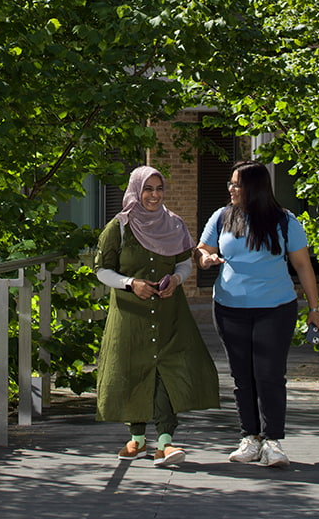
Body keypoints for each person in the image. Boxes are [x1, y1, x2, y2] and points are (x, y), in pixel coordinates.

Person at [195, 161, 319, 468]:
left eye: (236, 185)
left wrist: (315, 308)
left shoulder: (285, 221)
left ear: (254, 188)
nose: (230, 189)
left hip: (275, 309)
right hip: (229, 309)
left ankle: (272, 442)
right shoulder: (222, 217)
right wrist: (207, 258)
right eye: (230, 184)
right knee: (242, 377)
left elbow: (303, 266)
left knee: (269, 375)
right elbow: (202, 248)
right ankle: (249, 439)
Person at [93, 166, 220, 468]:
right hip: (130, 314)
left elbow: (183, 264)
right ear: (136, 190)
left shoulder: (174, 224)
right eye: (148, 189)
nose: (154, 195)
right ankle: (137, 437)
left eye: (159, 188)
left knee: (166, 369)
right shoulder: (119, 227)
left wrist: (176, 280)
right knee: (133, 368)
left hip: (168, 312)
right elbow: (101, 270)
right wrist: (130, 283)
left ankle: (165, 440)